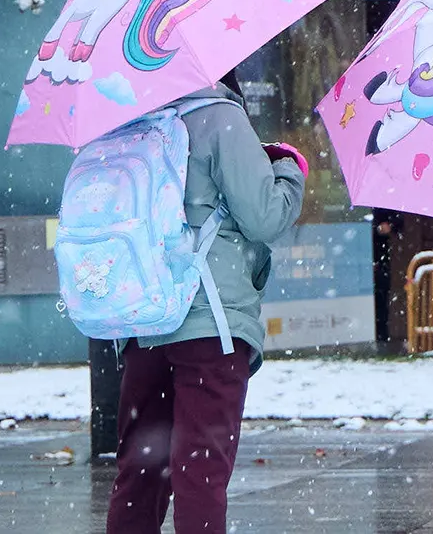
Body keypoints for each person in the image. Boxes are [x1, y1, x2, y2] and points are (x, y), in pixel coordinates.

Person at [106, 70, 306, 534]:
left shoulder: (134, 120)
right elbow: (264, 217)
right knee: (201, 472)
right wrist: (289, 169)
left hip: (146, 319)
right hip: (210, 324)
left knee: (139, 472)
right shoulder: (220, 118)